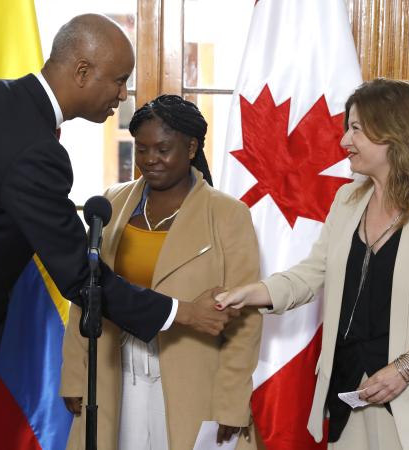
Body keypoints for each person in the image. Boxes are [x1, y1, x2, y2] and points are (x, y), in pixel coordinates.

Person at [0, 14, 237, 450]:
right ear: (82, 72)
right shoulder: (34, 149)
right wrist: (183, 312)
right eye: (119, 80)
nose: (122, 95)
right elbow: (80, 275)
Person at [216, 78, 409, 450]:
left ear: (395, 131)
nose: (344, 141)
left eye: (355, 128)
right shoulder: (347, 200)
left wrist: (406, 368)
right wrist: (255, 292)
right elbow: (313, 272)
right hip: (346, 394)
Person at [60, 95, 263, 450]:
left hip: (193, 381)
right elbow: (87, 293)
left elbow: (245, 319)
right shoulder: (112, 202)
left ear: (191, 147)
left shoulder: (229, 215)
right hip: (114, 376)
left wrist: (231, 401)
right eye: (142, 149)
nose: (150, 160)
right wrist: (76, 376)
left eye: (163, 149)